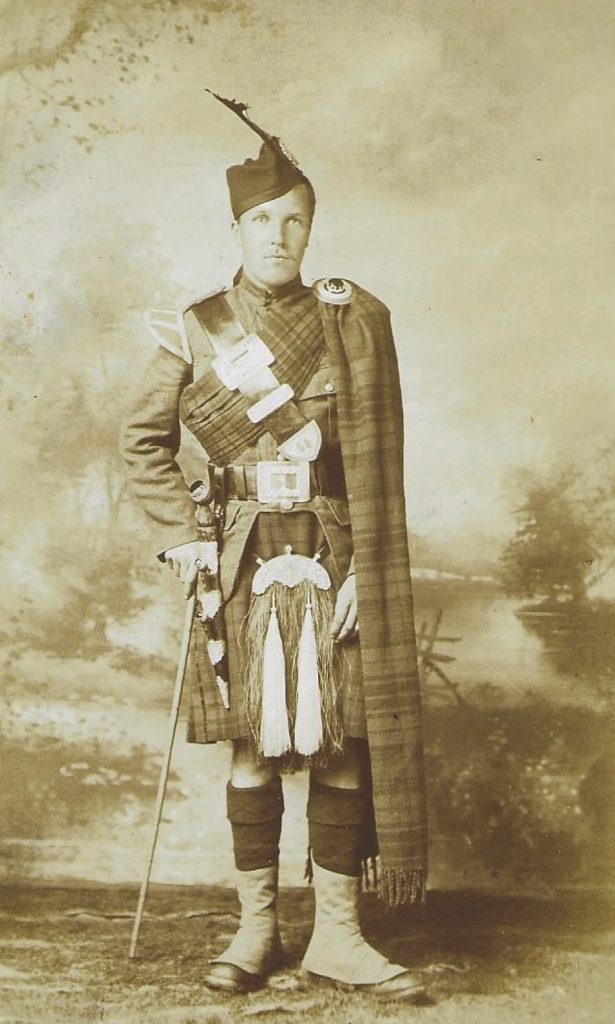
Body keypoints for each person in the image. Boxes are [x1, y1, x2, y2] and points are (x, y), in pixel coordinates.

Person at [121, 127, 428, 1002]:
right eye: (260, 219)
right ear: (237, 229)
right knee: (252, 751)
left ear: (309, 227)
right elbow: (142, 440)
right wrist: (183, 534)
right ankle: (256, 929)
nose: (277, 236)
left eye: (293, 219)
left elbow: (381, 463)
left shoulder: (354, 321)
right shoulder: (196, 329)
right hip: (238, 561)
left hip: (335, 554)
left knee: (340, 751)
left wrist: (371, 566)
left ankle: (337, 936)